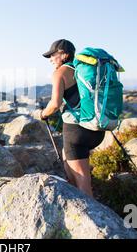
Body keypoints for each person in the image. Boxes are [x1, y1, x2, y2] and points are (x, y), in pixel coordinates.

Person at [35, 39, 105, 198]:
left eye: (53, 55)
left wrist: (42, 114)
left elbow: (55, 104)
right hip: (96, 129)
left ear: (65, 54)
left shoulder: (60, 73)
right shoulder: (83, 71)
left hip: (76, 132)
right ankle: (77, 203)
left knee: (82, 180)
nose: (51, 59)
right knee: (68, 160)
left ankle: (92, 216)